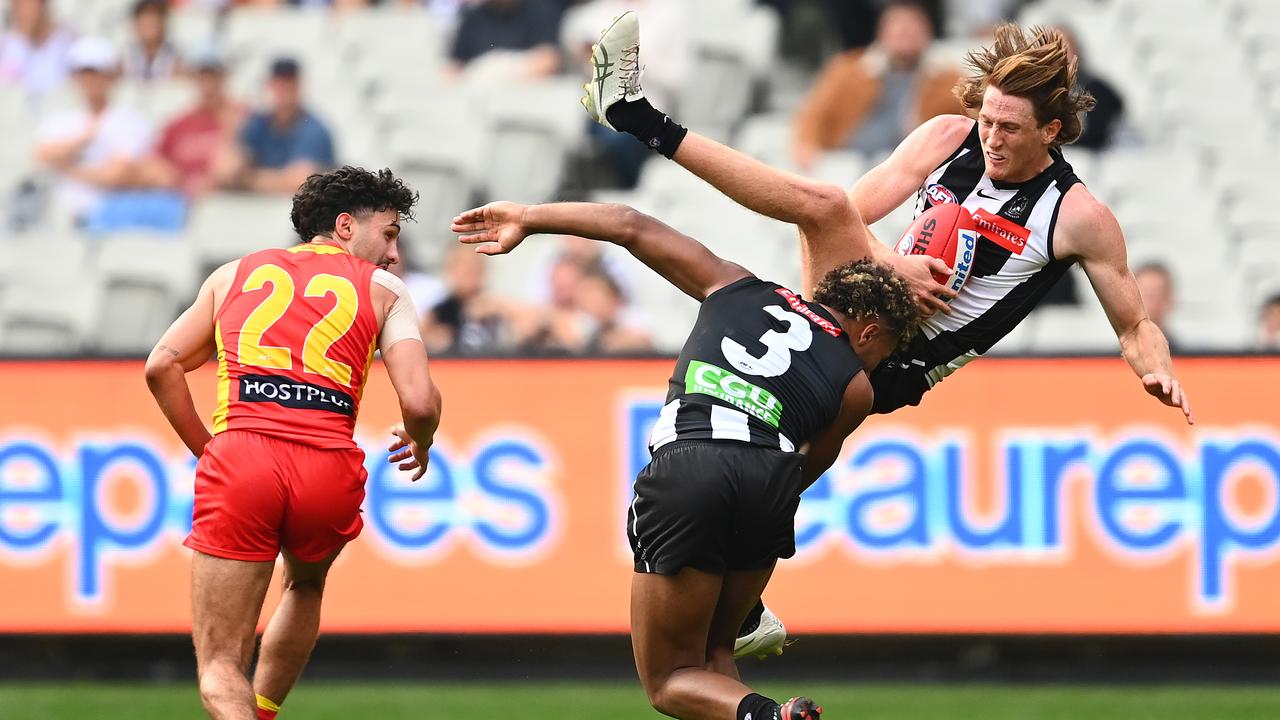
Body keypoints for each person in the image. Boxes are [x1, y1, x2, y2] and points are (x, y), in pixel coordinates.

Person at [583, 13, 1194, 659]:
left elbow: (1135, 323)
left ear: (1051, 130)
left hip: (895, 363)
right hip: (850, 307)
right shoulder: (947, 136)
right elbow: (857, 210)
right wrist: (893, 262)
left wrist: (1155, 369)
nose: (991, 137)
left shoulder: (1076, 215)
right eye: (987, 119)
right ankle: (633, 114)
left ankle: (632, 113)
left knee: (775, 451)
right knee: (821, 208)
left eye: (1009, 128)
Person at [452, 193, 919, 720]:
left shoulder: (737, 285)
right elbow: (808, 468)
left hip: (691, 464)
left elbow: (630, 224)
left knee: (670, 680)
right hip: (770, 479)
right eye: (887, 353)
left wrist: (530, 218)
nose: (880, 363)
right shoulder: (856, 387)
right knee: (716, 653)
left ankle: (777, 718)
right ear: (871, 332)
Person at [144, 166, 442, 720]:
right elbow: (420, 404)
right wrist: (420, 441)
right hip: (328, 465)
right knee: (305, 584)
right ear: (347, 226)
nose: (395, 253)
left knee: (218, 666)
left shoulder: (231, 274)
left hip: (242, 457)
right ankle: (262, 711)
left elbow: (162, 365)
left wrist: (208, 450)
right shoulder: (384, 290)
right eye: (391, 233)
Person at [790, 0, 965, 168]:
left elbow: (970, 120)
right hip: (847, 158)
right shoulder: (847, 69)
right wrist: (806, 144)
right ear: (881, 31)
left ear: (928, 32)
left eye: (913, 24)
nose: (905, 30)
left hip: (911, 165)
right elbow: (814, 113)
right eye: (897, 24)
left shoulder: (948, 79)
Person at [33, 36, 154, 223]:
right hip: (66, 216)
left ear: (110, 75)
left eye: (97, 72)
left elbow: (117, 175)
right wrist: (81, 141)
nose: (91, 80)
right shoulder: (60, 119)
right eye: (84, 73)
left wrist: (66, 167)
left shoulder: (130, 120)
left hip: (112, 214)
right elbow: (42, 154)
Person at [139, 44, 245, 197]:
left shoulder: (243, 116)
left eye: (213, 74)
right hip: (183, 199)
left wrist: (211, 179)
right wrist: (181, 180)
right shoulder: (179, 123)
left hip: (230, 200)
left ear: (224, 76)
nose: (207, 82)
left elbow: (243, 164)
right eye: (202, 75)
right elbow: (154, 163)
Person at [225, 57, 336, 194]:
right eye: (280, 83)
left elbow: (299, 182)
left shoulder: (315, 130)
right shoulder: (258, 123)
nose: (285, 90)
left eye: (289, 83)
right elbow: (227, 170)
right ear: (270, 85)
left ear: (299, 86)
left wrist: (247, 178)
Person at [447, 0, 562, 81]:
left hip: (528, 100)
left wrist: (504, 70)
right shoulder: (473, 19)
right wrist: (476, 75)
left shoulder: (539, 10)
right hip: (479, 101)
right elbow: (453, 69)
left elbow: (550, 60)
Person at [0, 0, 75, 102]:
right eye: (18, 5)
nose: (24, 11)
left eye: (29, 4)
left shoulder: (67, 40)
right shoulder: (6, 44)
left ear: (43, 4)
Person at [122, 0, 183, 82]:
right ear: (135, 25)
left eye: (153, 21)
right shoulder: (123, 61)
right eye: (145, 21)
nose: (149, 27)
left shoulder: (179, 61)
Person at [1133, 262, 1177, 351]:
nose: (1143, 303)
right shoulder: (1111, 361)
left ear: (1168, 301)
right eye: (1139, 295)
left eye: (1151, 295)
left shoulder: (1186, 359)